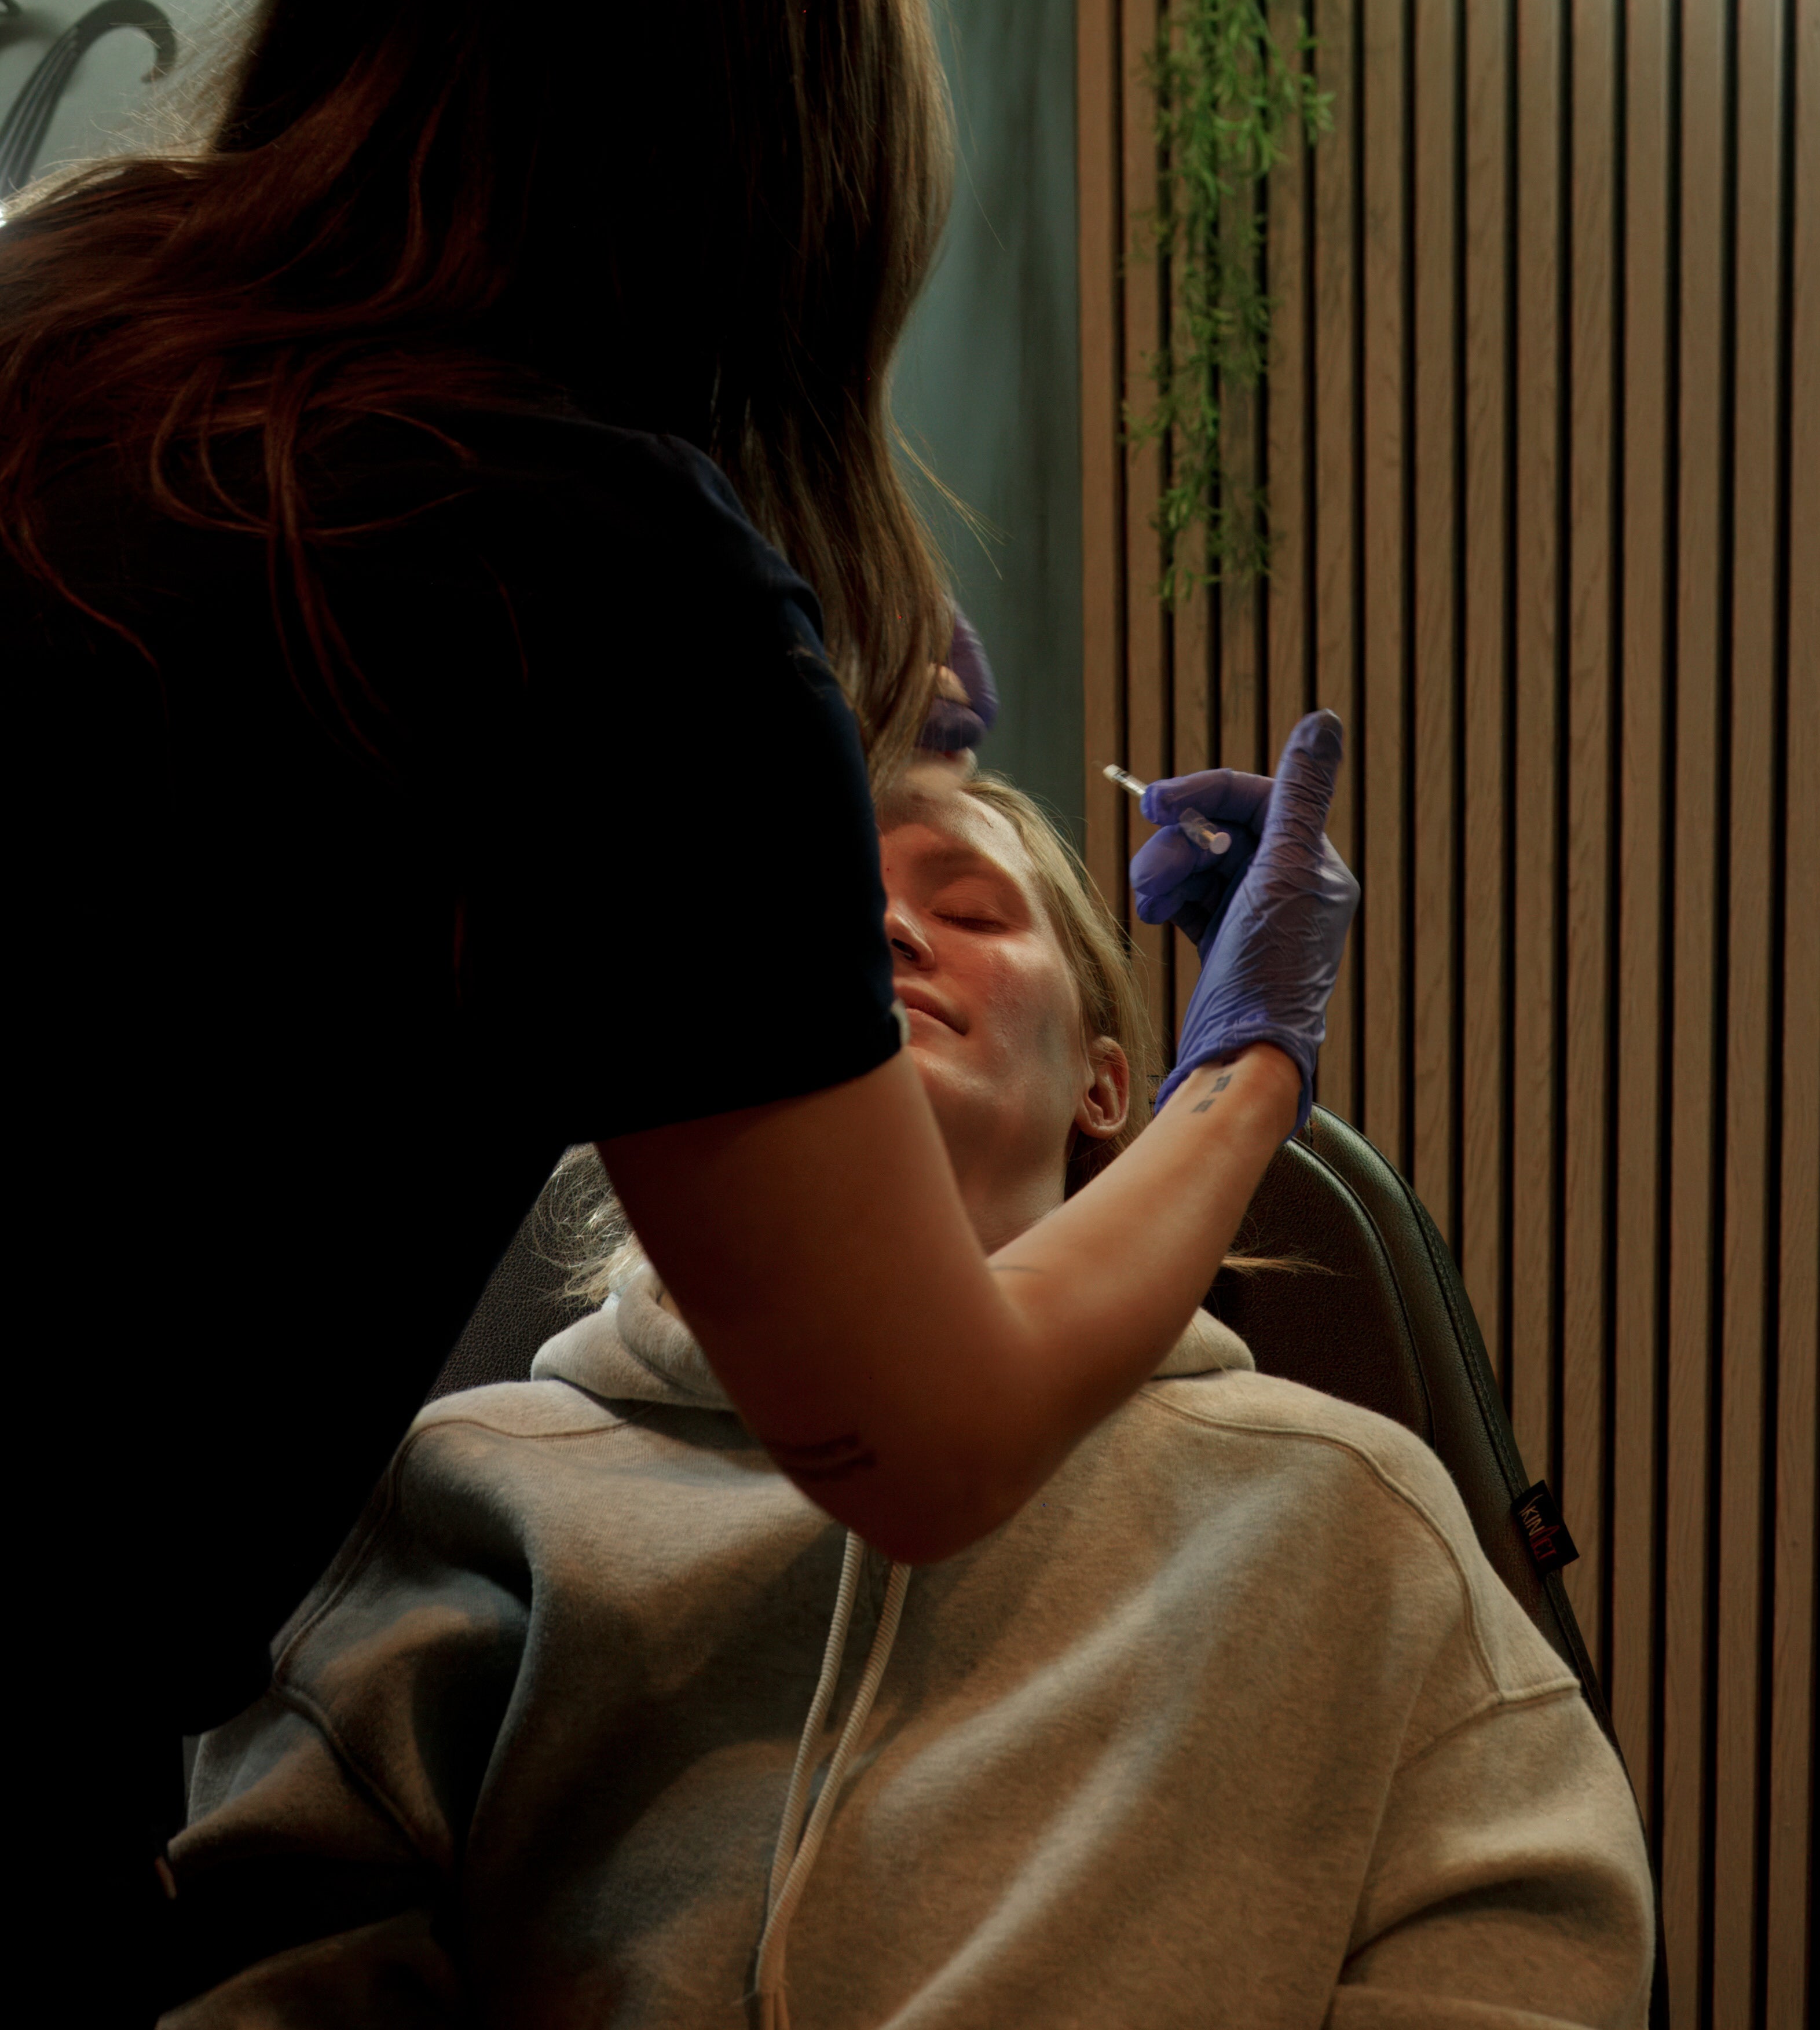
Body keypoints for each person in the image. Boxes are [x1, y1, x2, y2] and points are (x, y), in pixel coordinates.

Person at [0, 0, 1357, 2008]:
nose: (897, 925)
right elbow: (922, 1442)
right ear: (802, 126)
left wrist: (787, 728)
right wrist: (1260, 1064)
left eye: (970, 888)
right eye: (857, 889)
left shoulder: (63, 303)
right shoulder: (605, 590)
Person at [160, 760, 1654, 2029]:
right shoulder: (469, 1482)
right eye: (818, 898)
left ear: (1108, 1084)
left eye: (972, 907)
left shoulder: (1343, 1506)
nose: (880, 922)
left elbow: (1526, 1943)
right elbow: (275, 1942)